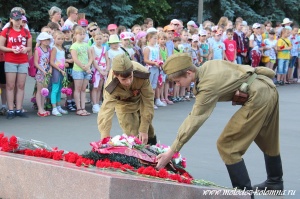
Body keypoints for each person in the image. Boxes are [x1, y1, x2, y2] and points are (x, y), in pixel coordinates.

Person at [157, 53, 284, 197]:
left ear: (189, 73)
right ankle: (275, 181)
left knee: (227, 146)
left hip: (258, 97)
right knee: (267, 138)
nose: (177, 85)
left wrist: (171, 152)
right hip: (267, 87)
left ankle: (244, 194)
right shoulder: (208, 65)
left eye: (177, 81)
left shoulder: (208, 86)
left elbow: (194, 120)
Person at [97, 54, 157, 145]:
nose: (128, 82)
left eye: (130, 77)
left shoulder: (142, 74)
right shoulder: (111, 86)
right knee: (134, 135)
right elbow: (106, 111)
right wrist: (104, 138)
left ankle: (154, 153)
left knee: (148, 132)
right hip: (123, 103)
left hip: (139, 99)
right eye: (124, 79)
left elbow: (148, 101)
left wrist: (144, 129)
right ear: (115, 75)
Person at [0, 10, 32, 119]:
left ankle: (19, 108)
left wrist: (25, 49)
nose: (18, 22)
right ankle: (10, 109)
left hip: (22, 61)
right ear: (11, 20)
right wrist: (12, 50)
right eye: (16, 20)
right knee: (10, 85)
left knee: (21, 85)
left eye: (19, 20)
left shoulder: (26, 32)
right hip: (10, 60)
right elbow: (1, 46)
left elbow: (29, 47)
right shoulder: (6, 31)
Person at [70, 26, 93, 116]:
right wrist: (84, 67)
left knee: (83, 89)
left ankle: (83, 108)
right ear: (75, 35)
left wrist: (88, 66)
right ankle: (78, 108)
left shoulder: (86, 44)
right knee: (78, 89)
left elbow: (91, 57)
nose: (82, 36)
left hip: (86, 69)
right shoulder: (74, 46)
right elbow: (75, 59)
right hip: (78, 70)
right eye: (80, 34)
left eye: (83, 34)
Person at [143, 31, 164, 109]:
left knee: (154, 85)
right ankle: (147, 102)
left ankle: (152, 101)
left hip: (157, 68)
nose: (155, 40)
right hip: (150, 68)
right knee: (149, 85)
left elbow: (160, 57)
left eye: (156, 38)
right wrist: (154, 63)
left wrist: (160, 62)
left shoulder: (157, 48)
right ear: (149, 39)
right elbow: (145, 60)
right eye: (154, 38)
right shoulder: (147, 48)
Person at [34, 32, 53, 117]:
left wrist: (50, 69)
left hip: (47, 72)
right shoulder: (38, 50)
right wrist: (42, 70)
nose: (46, 41)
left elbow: (50, 61)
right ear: (41, 41)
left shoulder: (49, 50)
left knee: (44, 91)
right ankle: (39, 108)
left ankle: (42, 106)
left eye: (48, 40)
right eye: (44, 40)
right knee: (39, 90)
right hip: (40, 72)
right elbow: (36, 63)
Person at [50, 31, 69, 116]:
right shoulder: (54, 48)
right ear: (54, 39)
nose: (60, 40)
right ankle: (54, 108)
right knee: (55, 89)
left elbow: (62, 60)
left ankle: (58, 106)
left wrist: (64, 65)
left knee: (59, 89)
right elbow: (52, 61)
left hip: (62, 70)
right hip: (56, 71)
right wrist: (60, 69)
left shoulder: (62, 49)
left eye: (62, 39)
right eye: (58, 39)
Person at [91, 32, 109, 113]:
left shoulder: (104, 48)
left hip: (104, 69)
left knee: (100, 87)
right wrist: (99, 70)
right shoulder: (93, 48)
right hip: (96, 70)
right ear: (94, 40)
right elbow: (93, 60)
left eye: (100, 39)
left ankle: (98, 103)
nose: (99, 40)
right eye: (97, 39)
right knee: (95, 87)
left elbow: (107, 59)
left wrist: (107, 70)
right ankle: (94, 104)